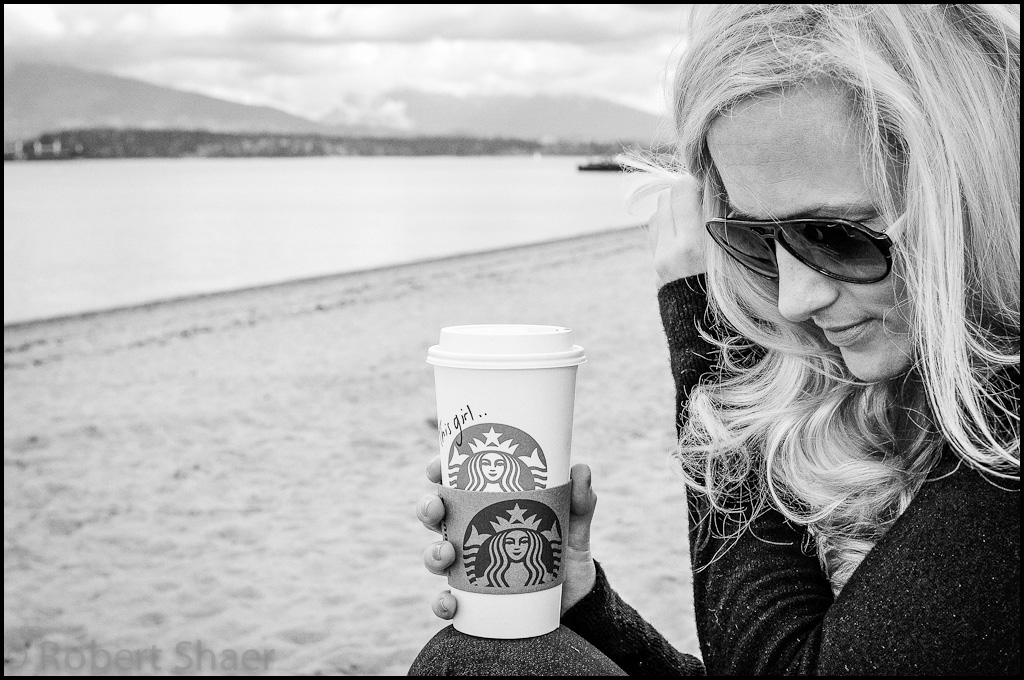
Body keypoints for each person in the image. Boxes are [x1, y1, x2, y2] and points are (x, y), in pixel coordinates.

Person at [412, 4, 1020, 675]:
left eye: (835, 235)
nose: (793, 300)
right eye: (757, 242)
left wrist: (705, 334)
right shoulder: (891, 392)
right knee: (488, 655)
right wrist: (582, 602)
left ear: (973, 194)